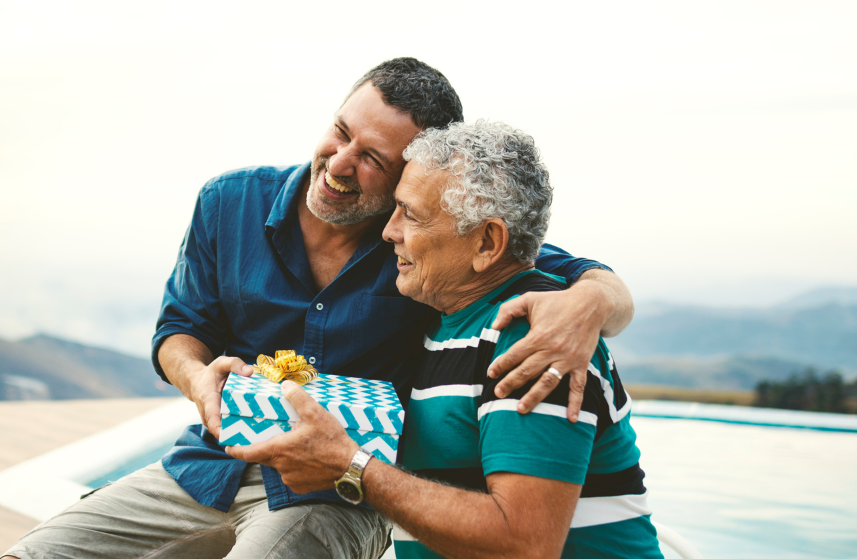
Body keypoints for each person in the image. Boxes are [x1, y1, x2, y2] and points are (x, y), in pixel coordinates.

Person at [2, 59, 634, 559]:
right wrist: (198, 378)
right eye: (340, 132)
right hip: (213, 463)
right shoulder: (229, 202)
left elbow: (520, 258)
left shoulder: (425, 238)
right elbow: (179, 329)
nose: (338, 164)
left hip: (343, 494)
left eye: (373, 160)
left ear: (409, 181)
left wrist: (590, 304)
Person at [227, 120, 661, 559]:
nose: (388, 232)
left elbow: (524, 543)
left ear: (487, 244)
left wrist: (351, 466)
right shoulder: (443, 320)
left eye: (410, 214)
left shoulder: (532, 338)